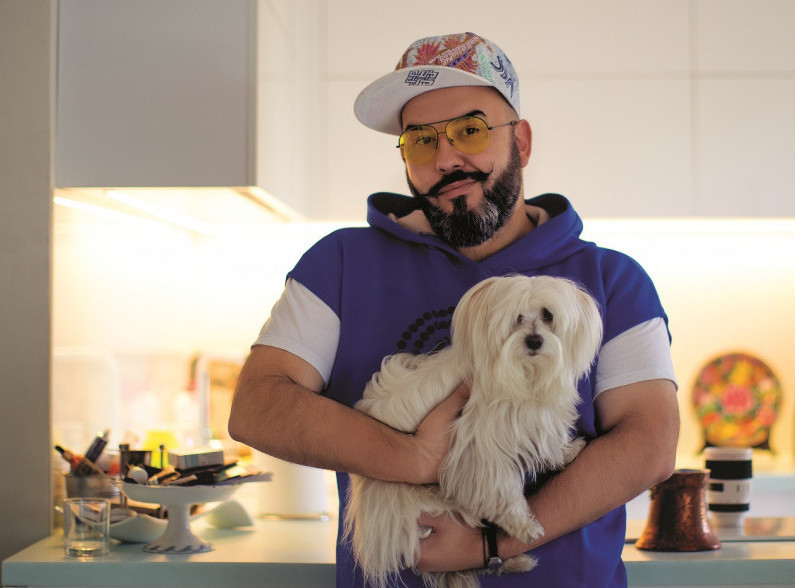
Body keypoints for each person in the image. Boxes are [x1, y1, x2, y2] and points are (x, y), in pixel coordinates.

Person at [229, 32, 680, 587]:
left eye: (470, 130)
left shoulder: (613, 280)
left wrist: (491, 544)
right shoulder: (340, 264)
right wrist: (414, 458)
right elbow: (256, 406)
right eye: (421, 141)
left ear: (522, 142)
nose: (445, 159)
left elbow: (650, 443)